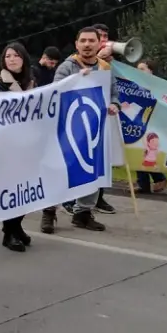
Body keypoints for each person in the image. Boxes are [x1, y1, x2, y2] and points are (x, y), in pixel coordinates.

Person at [51, 27, 121, 232]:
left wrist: (114, 105)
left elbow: (114, 93)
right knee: (62, 171)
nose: (87, 44)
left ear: (100, 44)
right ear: (77, 44)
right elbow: (55, 93)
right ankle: (49, 212)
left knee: (92, 170)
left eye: (92, 40)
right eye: (83, 41)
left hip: (96, 128)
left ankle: (83, 214)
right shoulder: (67, 67)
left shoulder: (106, 68)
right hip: (69, 129)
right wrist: (77, 80)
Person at [0, 43, 37, 251]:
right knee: (11, 190)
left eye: (15, 55)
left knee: (27, 190)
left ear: (23, 58)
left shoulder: (32, 80)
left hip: (30, 142)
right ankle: (8, 233)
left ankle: (17, 226)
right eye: (7, 56)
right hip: (7, 144)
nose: (11, 59)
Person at [135, 60, 167, 193]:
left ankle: (155, 179)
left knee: (145, 152)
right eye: (137, 69)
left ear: (151, 71)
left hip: (152, 124)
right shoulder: (136, 85)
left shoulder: (157, 86)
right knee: (139, 152)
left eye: (142, 69)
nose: (139, 72)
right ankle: (147, 182)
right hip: (140, 123)